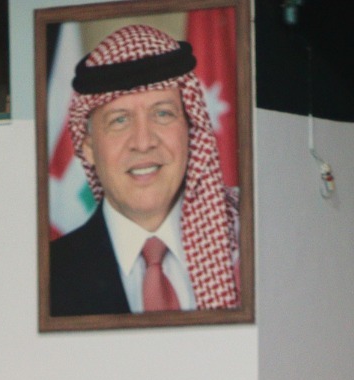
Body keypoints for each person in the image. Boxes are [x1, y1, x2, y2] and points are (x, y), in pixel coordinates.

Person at [49, 23, 241, 318]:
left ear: (191, 129)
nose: (143, 142)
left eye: (162, 114)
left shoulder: (247, 245)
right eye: (119, 120)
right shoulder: (46, 277)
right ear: (88, 147)